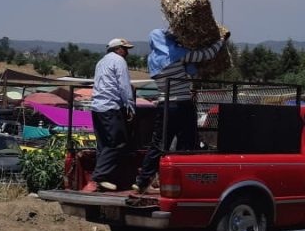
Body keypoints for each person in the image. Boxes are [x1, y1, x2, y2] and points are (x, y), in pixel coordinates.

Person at [133, 28, 230, 194]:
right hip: (182, 104)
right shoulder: (175, 54)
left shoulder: (152, 59)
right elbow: (205, 55)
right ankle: (185, 180)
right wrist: (221, 40)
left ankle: (142, 181)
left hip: (164, 105)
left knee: (158, 143)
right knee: (187, 143)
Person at [84, 38, 136, 192]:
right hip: (111, 107)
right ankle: (98, 177)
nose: (127, 52)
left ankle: (108, 179)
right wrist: (130, 106)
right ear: (117, 49)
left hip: (97, 107)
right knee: (118, 142)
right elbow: (124, 85)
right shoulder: (119, 60)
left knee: (103, 144)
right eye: (125, 49)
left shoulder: (101, 62)